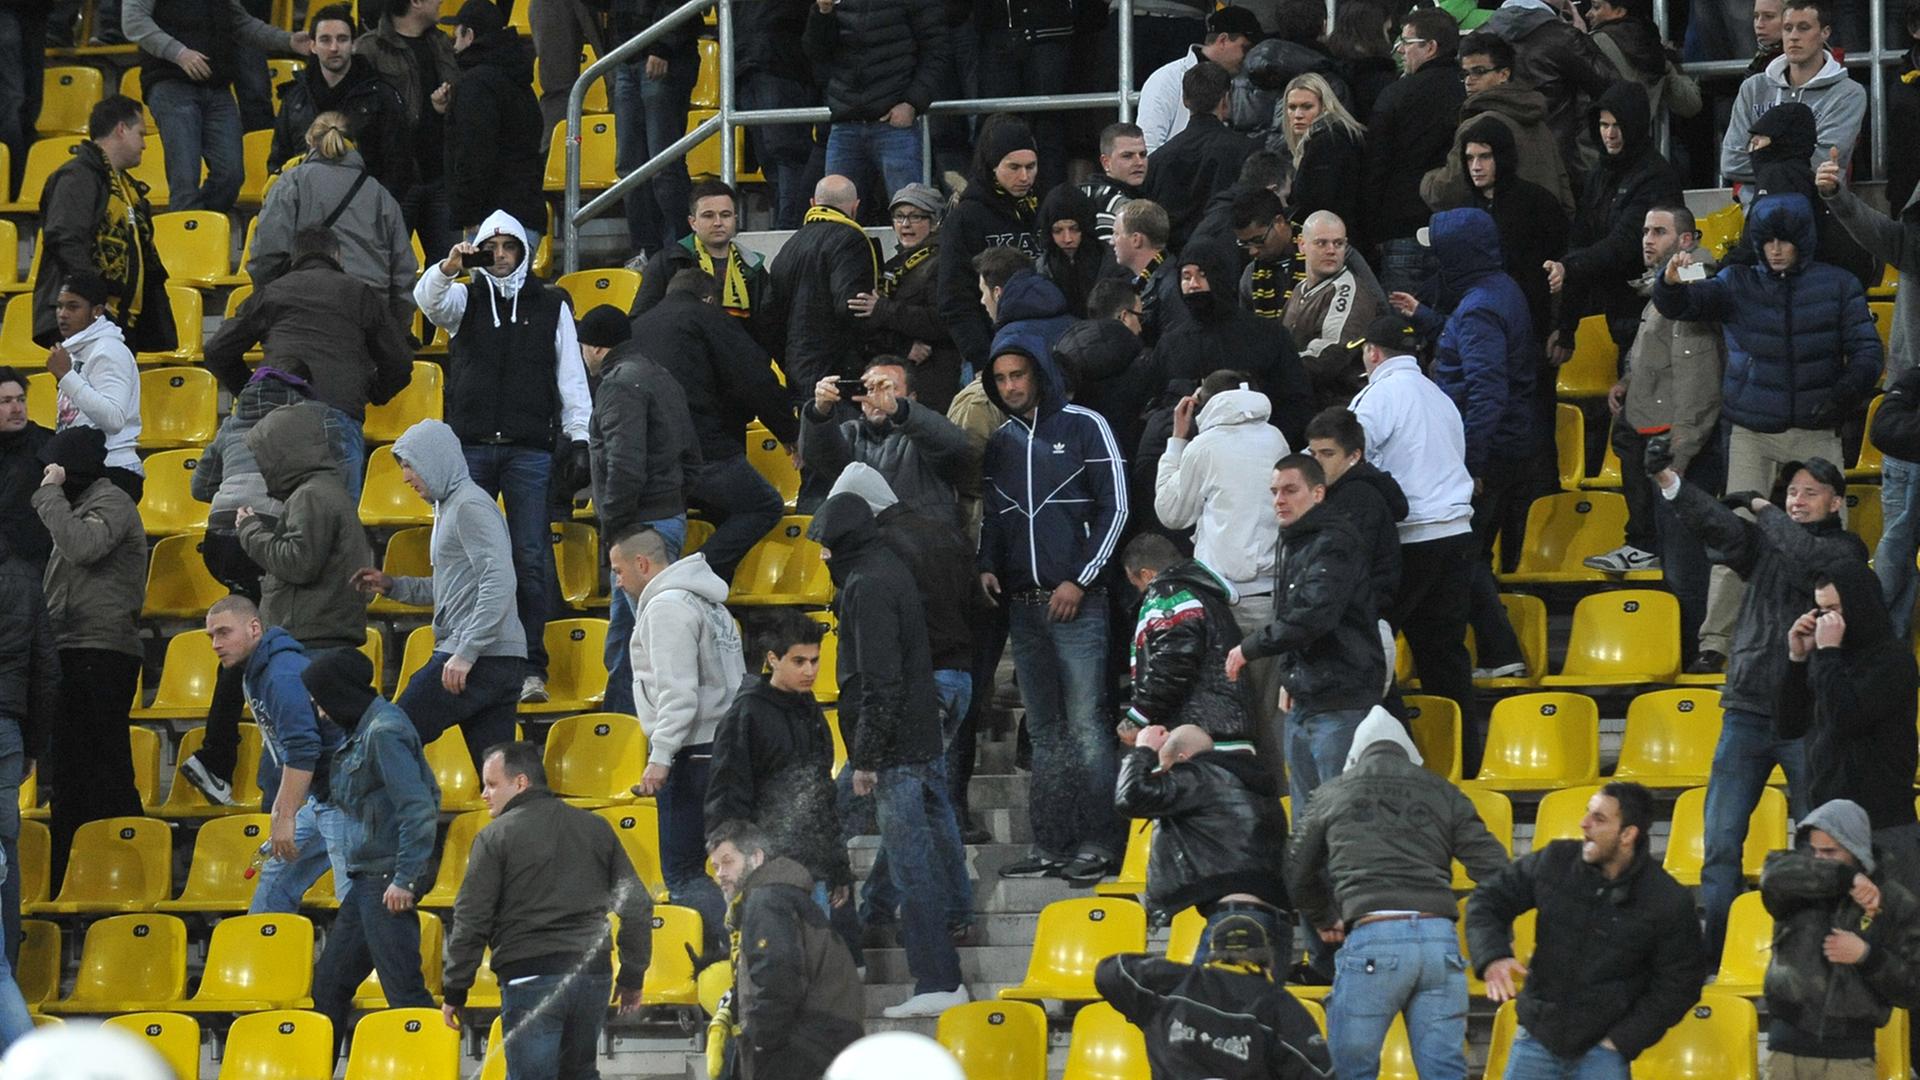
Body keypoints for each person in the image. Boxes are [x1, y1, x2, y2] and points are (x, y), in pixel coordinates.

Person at [1647, 447, 1864, 965]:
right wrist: (1670, 480)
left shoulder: (1847, 552)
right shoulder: (1766, 546)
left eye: (1811, 492)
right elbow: (1720, 529)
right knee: (1720, 844)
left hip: (1808, 717)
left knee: (1821, 846)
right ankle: (1714, 956)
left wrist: (1766, 512)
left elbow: (1808, 563)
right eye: (1791, 491)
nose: (1797, 500)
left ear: (1836, 502)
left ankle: (1815, 950)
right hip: (1745, 709)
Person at [1653, 194, 1881, 676]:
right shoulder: (1736, 281)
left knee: (1827, 543)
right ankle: (1716, 642)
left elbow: (1867, 353)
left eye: (1786, 241)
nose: (1777, 249)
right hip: (1752, 430)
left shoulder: (1838, 286)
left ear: (1803, 242)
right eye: (1769, 240)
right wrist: (1668, 282)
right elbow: (1683, 303)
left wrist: (1841, 397)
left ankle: (1838, 629)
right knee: (1735, 534)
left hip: (1816, 430)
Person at [416, 212, 592, 704]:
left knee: (529, 559)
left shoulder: (553, 303)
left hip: (529, 450)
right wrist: (450, 266)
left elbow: (571, 378)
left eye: (507, 246)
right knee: (458, 557)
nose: (498, 255)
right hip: (469, 449)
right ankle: (451, 653)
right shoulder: (464, 296)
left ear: (522, 249)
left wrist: (579, 436)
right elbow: (428, 302)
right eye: (488, 246)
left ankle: (531, 665)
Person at [1286, 709, 1511, 1079]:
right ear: (1409, 754)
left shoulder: (1331, 793)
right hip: (1440, 943)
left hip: (1374, 937)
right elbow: (1496, 870)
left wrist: (1325, 916)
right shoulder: (1442, 791)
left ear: (1355, 757)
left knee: (1349, 1070)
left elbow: (1297, 868)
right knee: (1445, 1071)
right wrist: (1494, 941)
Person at [810, 494, 969, 1016]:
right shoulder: (886, 569)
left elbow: (880, 680)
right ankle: (912, 962)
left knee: (908, 865)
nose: (822, 558)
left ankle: (937, 979)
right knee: (917, 857)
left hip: (894, 749)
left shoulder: (868, 584)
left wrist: (867, 758)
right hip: (914, 741)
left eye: (826, 549)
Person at [979, 343, 1128, 884]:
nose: (1010, 386)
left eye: (1018, 375)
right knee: (1045, 732)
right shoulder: (1000, 442)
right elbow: (993, 517)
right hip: (1022, 605)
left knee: (1088, 727)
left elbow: (1118, 507)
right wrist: (987, 565)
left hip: (1080, 605)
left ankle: (1100, 843)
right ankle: (1051, 843)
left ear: (1038, 374)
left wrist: (1081, 579)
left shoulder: (1087, 425)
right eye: (1000, 379)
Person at [1467, 781, 1707, 1080]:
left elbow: (1681, 981)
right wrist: (1493, 956)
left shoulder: (1667, 900)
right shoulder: (1555, 860)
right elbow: (1488, 899)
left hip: (1604, 1052)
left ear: (1628, 835)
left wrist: (1622, 1040)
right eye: (1587, 813)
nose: (1584, 824)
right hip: (1537, 1039)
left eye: (1599, 818)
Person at [440, 742, 653, 1070]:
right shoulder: (596, 827)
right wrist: (632, 974)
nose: (484, 794)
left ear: (521, 783)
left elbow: (472, 919)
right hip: (592, 975)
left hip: (530, 976)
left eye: (492, 784)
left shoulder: (494, 837)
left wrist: (455, 988)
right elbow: (637, 905)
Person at [1399, 207, 1542, 687]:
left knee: (1468, 556)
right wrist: (1425, 317)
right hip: (1506, 445)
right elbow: (1465, 341)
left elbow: (1487, 392)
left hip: (1490, 452)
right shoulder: (1494, 293)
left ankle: (1501, 651)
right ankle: (1499, 650)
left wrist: (1471, 465)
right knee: (1472, 555)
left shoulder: (1481, 305)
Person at [1585, 207, 1723, 659]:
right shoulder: (1662, 285)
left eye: (1660, 232)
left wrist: (1678, 459)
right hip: (1656, 437)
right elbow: (1657, 354)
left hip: (1678, 448)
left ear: (1688, 240)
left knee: (1685, 569)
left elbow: (1697, 380)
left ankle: (1693, 661)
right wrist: (1628, 381)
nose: (1647, 239)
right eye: (1645, 230)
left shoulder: (1690, 285)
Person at [352, 420, 527, 768]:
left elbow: (500, 580)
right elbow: (454, 589)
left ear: (435, 460)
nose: (405, 477)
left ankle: (410, 820)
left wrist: (466, 652)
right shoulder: (451, 507)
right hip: (496, 657)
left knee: (388, 736)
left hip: (479, 657)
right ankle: (523, 821)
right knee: (500, 778)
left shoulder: (469, 507)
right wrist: (393, 585)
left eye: (410, 464)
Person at [1347, 315, 1481, 768]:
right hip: (1457, 534)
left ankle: (1401, 761)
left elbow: (1349, 456)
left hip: (1410, 539)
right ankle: (1468, 761)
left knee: (1371, 649)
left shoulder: (1377, 396)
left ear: (1372, 353)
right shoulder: (1439, 397)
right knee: (1445, 656)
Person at [827, 463, 981, 847]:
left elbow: (886, 639)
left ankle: (809, 863)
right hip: (960, 676)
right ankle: (888, 902)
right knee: (926, 806)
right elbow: (976, 607)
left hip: (919, 688)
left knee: (885, 809)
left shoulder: (879, 555)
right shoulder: (946, 531)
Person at [1228, 453, 1384, 812]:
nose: (1279, 500)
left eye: (1290, 490)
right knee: (1307, 820)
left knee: (1339, 816)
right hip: (1306, 694)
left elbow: (1313, 617)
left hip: (1341, 697)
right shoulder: (1294, 539)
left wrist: (1248, 648)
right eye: (1274, 491)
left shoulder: (1334, 542)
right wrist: (1290, 676)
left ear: (1318, 493)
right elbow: (1294, 615)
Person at [210, 226, 413, 500]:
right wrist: (372, 392)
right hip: (338, 416)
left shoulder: (272, 292)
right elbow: (400, 362)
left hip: (277, 420)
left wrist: (250, 391)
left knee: (279, 528)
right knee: (336, 530)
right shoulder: (359, 293)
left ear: (295, 258)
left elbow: (216, 350)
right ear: (338, 256)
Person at [306, 648, 440, 1063]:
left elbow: (418, 807)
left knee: (404, 990)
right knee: (330, 982)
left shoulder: (383, 732)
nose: (320, 712)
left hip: (387, 876)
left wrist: (405, 878)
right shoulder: (366, 730)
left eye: (321, 699)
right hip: (369, 876)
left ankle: (428, 1068)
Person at [610, 524, 739, 948]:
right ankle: (745, 950)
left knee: (684, 873)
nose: (617, 581)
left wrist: (660, 755)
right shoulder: (708, 602)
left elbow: (678, 694)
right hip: (725, 746)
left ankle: (732, 953)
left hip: (692, 754)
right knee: (731, 863)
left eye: (618, 569)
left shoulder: (666, 608)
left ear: (642, 564)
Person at [31, 426, 144, 883]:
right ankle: (69, 872)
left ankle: (132, 863)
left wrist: (49, 497)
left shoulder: (112, 502)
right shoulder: (77, 507)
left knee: (107, 765)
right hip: (70, 648)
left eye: (54, 466)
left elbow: (84, 548)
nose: (47, 474)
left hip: (103, 649)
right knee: (70, 776)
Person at [1150, 371, 1285, 748]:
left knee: (1222, 714)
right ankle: (1277, 799)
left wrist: (1176, 442)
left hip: (1223, 600)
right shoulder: (1275, 437)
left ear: (1200, 402)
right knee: (1270, 716)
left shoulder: (1204, 446)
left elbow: (1172, 512)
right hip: (1274, 596)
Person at [633, 269, 794, 585]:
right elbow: (754, 378)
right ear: (708, 298)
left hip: (647, 459)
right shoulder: (706, 317)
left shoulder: (637, 327)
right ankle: (694, 575)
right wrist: (788, 432)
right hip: (703, 450)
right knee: (763, 506)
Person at [1821, 139, 1920, 638]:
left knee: (1898, 550)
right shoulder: (1909, 244)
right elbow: (1875, 230)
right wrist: (1838, 195)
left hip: (1907, 418)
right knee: (1896, 553)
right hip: (1911, 423)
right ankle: (1883, 656)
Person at [201, 595, 354, 913]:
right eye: (211, 636)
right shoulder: (258, 671)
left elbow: (303, 749)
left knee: (355, 902)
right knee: (277, 873)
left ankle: (371, 962)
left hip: (350, 798)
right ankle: (265, 958)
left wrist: (284, 816)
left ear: (254, 627)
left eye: (224, 632)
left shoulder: (281, 675)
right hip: (325, 796)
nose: (216, 644)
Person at [587, 304, 700, 716]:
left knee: (647, 643)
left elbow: (625, 465)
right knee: (629, 637)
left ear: (597, 348)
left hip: (638, 528)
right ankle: (623, 725)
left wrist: (615, 530)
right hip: (667, 517)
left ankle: (646, 732)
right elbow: (691, 455)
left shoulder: (618, 385)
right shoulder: (661, 375)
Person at [1779, 561, 1920, 878]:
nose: (1827, 620)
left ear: (1859, 605)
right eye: (1821, 610)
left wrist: (1828, 654)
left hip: (1883, 825)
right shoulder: (1826, 658)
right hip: (1826, 824)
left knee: (1893, 925)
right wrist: (1797, 659)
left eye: (1834, 609)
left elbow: (1847, 719)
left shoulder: (1893, 660)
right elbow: (1787, 725)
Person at [1759, 799, 1920, 1076]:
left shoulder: (1894, 900)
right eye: (1814, 850)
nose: (1819, 859)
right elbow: (1771, 878)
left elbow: (1912, 988)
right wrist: (1846, 877)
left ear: (1857, 851)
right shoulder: (1795, 883)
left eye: (1830, 852)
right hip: (1785, 1047)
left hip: (1850, 1055)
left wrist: (1867, 957)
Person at [705, 610, 853, 907]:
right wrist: (741, 865)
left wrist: (838, 867)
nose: (810, 671)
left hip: (813, 868)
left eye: (814, 661)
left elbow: (822, 793)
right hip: (768, 873)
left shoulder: (809, 710)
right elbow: (727, 797)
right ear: (773, 659)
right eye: (799, 661)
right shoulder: (745, 716)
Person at [708, 820, 866, 1076]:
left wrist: (759, 1041)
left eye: (728, 862)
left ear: (756, 857)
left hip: (805, 1042)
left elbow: (778, 976)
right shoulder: (779, 896)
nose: (720, 874)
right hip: (821, 1036)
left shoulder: (766, 900)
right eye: (715, 866)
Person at [1094, 912, 1334, 1080]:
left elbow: (1109, 971)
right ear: (1267, 960)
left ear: (1212, 953)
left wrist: (1172, 968)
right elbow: (1319, 1072)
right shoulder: (1278, 1004)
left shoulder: (1174, 985)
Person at [123, 0, 308, 212]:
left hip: (217, 86)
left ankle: (200, 226)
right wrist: (179, 53)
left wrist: (289, 40)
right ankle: (187, 235)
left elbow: (240, 23)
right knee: (185, 180)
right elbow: (133, 21)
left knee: (231, 175)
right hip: (171, 84)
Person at [1547, 83, 1685, 355]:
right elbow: (1582, 239)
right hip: (1614, 312)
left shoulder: (1656, 177)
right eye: (1603, 125)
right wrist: (1566, 328)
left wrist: (1569, 267)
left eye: (1617, 125)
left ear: (1634, 125)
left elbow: (1625, 242)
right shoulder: (1600, 173)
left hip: (1650, 309)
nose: (1609, 134)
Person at [30, 96, 175, 353]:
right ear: (121, 129)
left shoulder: (127, 188)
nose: (144, 144)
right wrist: (94, 298)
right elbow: (64, 238)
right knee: (89, 392)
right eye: (140, 134)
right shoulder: (78, 176)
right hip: (89, 316)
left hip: (117, 320)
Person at [247, 115, 419, 326]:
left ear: (309, 141)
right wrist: (396, 327)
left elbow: (267, 253)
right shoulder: (379, 194)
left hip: (305, 309)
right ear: (353, 143)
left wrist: (269, 307)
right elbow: (403, 269)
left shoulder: (290, 183)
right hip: (368, 311)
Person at [237, 399, 373, 655]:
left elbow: (298, 563)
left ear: (281, 452)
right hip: (321, 633)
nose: (262, 465)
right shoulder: (326, 489)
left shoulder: (311, 495)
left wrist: (249, 530)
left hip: (311, 637)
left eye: (263, 455)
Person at [1154, 239, 1316, 446]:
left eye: (1203, 275)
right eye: (1186, 277)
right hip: (1191, 459)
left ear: (1220, 277)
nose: (1194, 285)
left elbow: (1297, 403)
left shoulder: (1267, 335)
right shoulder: (1171, 344)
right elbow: (1158, 408)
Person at [1432, 117, 1570, 356]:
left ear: (1502, 156)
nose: (1475, 166)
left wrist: (1563, 329)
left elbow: (1565, 264)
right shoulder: (1463, 211)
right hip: (1478, 333)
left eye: (1484, 157)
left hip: (1532, 331)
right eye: (1469, 158)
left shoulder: (1537, 203)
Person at [1302, 406, 1407, 691]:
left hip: (1361, 626)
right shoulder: (1336, 496)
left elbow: (1345, 567)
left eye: (1328, 454)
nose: (1317, 463)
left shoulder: (1359, 499)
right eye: (1312, 454)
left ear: (1354, 456)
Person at [1365, 6, 1466, 299]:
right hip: (1460, 228)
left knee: (1401, 330)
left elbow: (1377, 166)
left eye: (1407, 43)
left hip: (1403, 229)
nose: (1399, 50)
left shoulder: (1396, 95)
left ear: (1430, 47)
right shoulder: (1469, 93)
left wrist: (1374, 229)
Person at [803, 0, 947, 204]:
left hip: (894, 126)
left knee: (910, 215)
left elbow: (937, 51)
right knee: (835, 221)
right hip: (845, 124)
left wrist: (912, 103)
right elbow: (815, 52)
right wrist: (823, 12)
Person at [802, 358, 973, 527]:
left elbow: (957, 446)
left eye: (887, 387)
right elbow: (817, 459)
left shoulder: (924, 430)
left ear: (911, 397)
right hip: (865, 545)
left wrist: (898, 410)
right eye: (869, 388)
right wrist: (819, 413)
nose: (877, 395)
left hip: (922, 540)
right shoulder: (850, 433)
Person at [1421, 32, 1575, 216]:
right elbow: (1562, 184)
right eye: (1465, 74)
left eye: (1478, 71)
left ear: (1504, 74)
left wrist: (1427, 181)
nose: (1469, 80)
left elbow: (1448, 192)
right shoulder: (1537, 120)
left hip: (1500, 231)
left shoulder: (1477, 125)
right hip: (1545, 229)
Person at [1119, 537, 1255, 745]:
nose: (1139, 592)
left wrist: (1139, 715)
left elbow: (1173, 661)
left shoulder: (1168, 595)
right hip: (1221, 729)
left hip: (1199, 740)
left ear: (1147, 574)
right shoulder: (1202, 593)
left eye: (1135, 583)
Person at [937, 116, 1043, 378]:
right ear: (992, 166)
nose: (1024, 176)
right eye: (1014, 167)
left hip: (1042, 348)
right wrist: (983, 359)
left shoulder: (1040, 209)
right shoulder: (965, 218)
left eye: (1031, 167)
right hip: (987, 356)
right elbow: (955, 297)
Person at [266, 4, 411, 196]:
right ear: (313, 46)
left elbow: (397, 167)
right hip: (306, 210)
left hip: (364, 211)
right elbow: (278, 162)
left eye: (342, 39)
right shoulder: (293, 99)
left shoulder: (380, 96)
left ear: (353, 44)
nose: (334, 48)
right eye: (325, 40)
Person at [352, 0, 459, 257]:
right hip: (395, 183)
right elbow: (363, 116)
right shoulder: (369, 49)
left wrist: (444, 107)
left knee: (449, 275)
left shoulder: (443, 43)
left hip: (441, 178)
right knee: (385, 270)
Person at [1723, 0, 1867, 189]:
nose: (1793, 37)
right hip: (1756, 211)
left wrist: (1764, 150)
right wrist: (1796, 161)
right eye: (1787, 28)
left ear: (1825, 33)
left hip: (1817, 211)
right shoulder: (1753, 88)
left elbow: (1822, 166)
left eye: (1804, 28)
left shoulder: (1848, 93)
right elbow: (1731, 162)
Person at [770, 175, 880, 404]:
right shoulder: (851, 240)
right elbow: (854, 308)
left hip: (797, 372)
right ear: (855, 207)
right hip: (839, 379)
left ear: (813, 204)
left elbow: (769, 316)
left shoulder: (789, 247)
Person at [442, 1, 545, 246]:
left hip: (492, 226)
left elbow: (474, 154)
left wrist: (468, 214)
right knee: (515, 285)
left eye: (456, 34)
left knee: (490, 286)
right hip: (524, 214)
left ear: (469, 35)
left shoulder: (476, 84)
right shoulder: (517, 79)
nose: (454, 44)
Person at [855, 183, 962, 413]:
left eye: (916, 217)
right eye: (899, 216)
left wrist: (884, 310)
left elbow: (943, 321)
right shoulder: (892, 265)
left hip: (934, 380)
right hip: (898, 376)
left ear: (935, 222)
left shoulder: (945, 263)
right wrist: (902, 345)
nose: (905, 224)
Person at [0, 529, 55, 970]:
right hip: (7, 729)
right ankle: (5, 970)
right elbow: (45, 670)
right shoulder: (24, 578)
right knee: (4, 846)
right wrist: (33, 745)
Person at [605, 0, 697, 261]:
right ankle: (646, 251)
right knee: (629, 167)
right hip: (625, 56)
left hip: (665, 58)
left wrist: (662, 45)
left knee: (664, 167)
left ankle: (682, 249)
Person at [628, 180, 770, 335]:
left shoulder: (752, 267)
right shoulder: (668, 262)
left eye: (725, 215)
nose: (718, 223)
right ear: (692, 222)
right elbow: (640, 321)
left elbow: (765, 326)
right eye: (708, 216)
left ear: (735, 219)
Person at [45, 273, 142, 499]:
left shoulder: (108, 351)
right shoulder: (75, 351)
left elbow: (114, 418)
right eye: (59, 307)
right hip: (84, 467)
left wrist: (67, 376)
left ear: (97, 311)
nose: (62, 314)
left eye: (73, 307)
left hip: (112, 472)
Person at [1145, 62, 1255, 252]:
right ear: (1226, 99)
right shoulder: (1246, 150)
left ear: (1185, 101)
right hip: (1228, 258)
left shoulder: (1157, 160)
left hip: (1175, 263)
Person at [1283, 211, 1380, 408]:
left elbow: (1330, 355)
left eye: (1338, 244)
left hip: (1342, 406)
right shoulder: (1299, 289)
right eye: (1321, 243)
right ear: (1302, 245)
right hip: (1309, 398)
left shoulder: (1347, 289)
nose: (1331, 250)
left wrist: (1276, 367)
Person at [1136, 6, 1263, 153]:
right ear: (1223, 40)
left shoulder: (1245, 84)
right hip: (1177, 173)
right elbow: (1148, 146)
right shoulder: (1168, 78)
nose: (1251, 56)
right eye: (1246, 48)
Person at [1281, 72, 1366, 227]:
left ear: (1325, 107)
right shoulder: (1332, 138)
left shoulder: (1326, 142)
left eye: (1307, 107)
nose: (1298, 115)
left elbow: (1319, 204)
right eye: (1292, 107)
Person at [1111, 199, 1189, 349]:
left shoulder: (1171, 287)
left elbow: (1177, 348)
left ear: (1136, 240)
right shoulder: (1152, 281)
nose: (1111, 241)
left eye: (1116, 234)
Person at [1036, 184, 1110, 321]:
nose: (1067, 239)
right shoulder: (1042, 269)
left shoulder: (1111, 262)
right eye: (1058, 231)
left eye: (1074, 229)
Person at [0, 370, 51, 568]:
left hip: (32, 562)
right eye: (5, 401)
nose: (16, 409)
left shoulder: (48, 447)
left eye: (21, 400)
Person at [1232, 188, 1301, 321]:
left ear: (1279, 222)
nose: (1253, 251)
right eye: (1244, 243)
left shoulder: (1327, 255)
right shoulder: (1251, 275)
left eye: (1258, 240)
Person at [1080, 122, 1150, 242]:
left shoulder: (1086, 191)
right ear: (1106, 162)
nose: (1139, 162)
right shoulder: (1111, 202)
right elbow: (1110, 255)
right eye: (1127, 156)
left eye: (1143, 154)